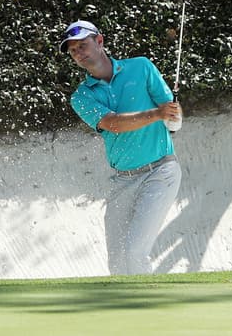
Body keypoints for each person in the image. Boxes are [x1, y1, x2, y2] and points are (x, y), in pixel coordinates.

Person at [61, 18, 183, 275]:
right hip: (123, 180)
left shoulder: (141, 67)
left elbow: (169, 109)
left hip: (160, 171)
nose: (78, 53)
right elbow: (113, 124)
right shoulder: (82, 96)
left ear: (100, 41)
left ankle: (152, 313)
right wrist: (158, 114)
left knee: (135, 251)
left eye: (82, 45)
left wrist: (174, 118)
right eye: (73, 51)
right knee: (117, 262)